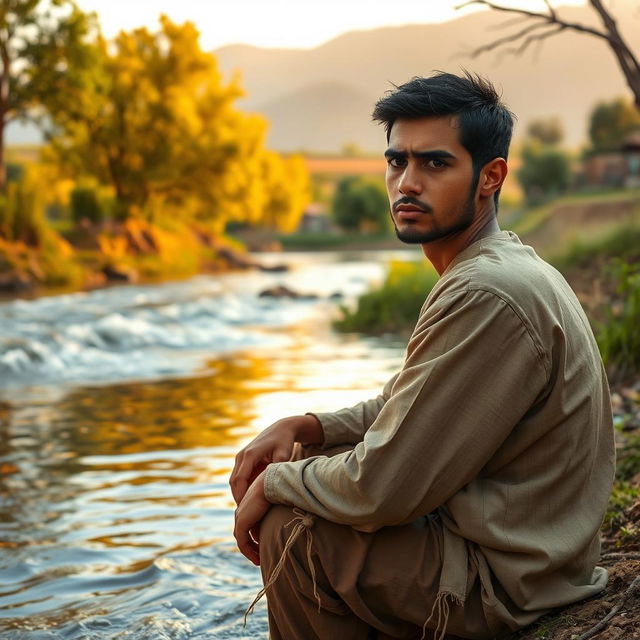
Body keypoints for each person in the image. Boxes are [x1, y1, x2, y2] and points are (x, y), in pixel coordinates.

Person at [230, 71, 615, 640]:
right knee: (318, 477)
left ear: (491, 176)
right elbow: (405, 408)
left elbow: (382, 486)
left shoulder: (486, 291)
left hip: (510, 581)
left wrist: (275, 485)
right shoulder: (492, 267)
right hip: (525, 555)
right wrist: (306, 427)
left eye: (434, 163)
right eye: (396, 162)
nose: (406, 182)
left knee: (294, 528)